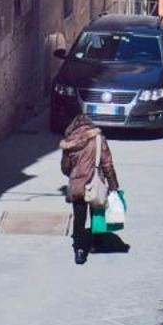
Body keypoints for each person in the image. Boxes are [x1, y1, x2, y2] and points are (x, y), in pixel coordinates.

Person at [59, 112, 119, 265]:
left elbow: (65, 168)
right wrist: (113, 185)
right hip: (95, 183)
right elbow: (107, 164)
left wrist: (74, 174)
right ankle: (96, 243)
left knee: (79, 219)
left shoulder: (69, 142)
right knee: (97, 214)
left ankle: (79, 251)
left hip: (77, 186)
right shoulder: (98, 139)